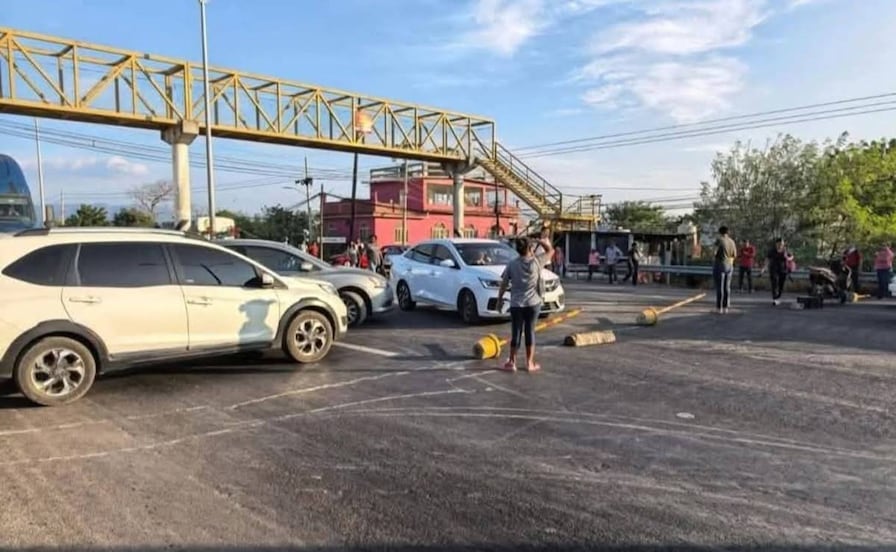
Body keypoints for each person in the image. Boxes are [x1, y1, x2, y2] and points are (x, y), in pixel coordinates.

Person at [495, 232, 553, 373]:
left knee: (516, 332)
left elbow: (503, 284)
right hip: (534, 303)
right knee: (530, 331)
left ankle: (512, 362)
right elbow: (551, 251)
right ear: (530, 248)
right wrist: (540, 241)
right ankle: (529, 363)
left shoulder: (512, 264)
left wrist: (499, 300)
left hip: (516, 304)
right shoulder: (537, 262)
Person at [712, 226, 737, 314]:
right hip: (729, 265)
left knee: (720, 287)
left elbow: (714, 252)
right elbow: (734, 255)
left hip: (720, 263)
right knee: (727, 287)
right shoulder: (732, 241)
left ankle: (719, 308)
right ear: (728, 232)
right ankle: (726, 307)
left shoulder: (719, 240)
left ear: (720, 232)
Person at [761, 238, 788, 306]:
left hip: (783, 269)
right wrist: (764, 268)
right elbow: (767, 259)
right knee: (774, 283)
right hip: (773, 269)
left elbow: (791, 256)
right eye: (779, 244)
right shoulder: (772, 250)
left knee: (781, 284)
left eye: (782, 244)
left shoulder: (785, 250)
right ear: (776, 244)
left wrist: (788, 258)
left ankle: (778, 296)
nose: (780, 245)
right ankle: (775, 299)